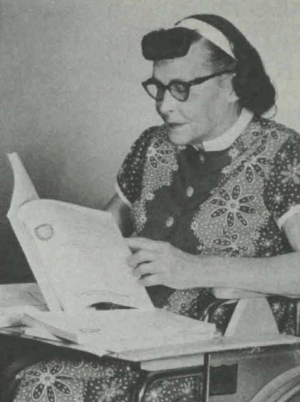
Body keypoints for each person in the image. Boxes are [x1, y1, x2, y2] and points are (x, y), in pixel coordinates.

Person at [5, 12, 300, 402]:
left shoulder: (282, 153)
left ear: (231, 86)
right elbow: (103, 233)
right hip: (130, 340)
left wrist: (194, 269)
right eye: (157, 88)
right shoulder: (153, 145)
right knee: (12, 363)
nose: (163, 105)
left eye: (180, 88)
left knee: (44, 385)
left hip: (213, 362)